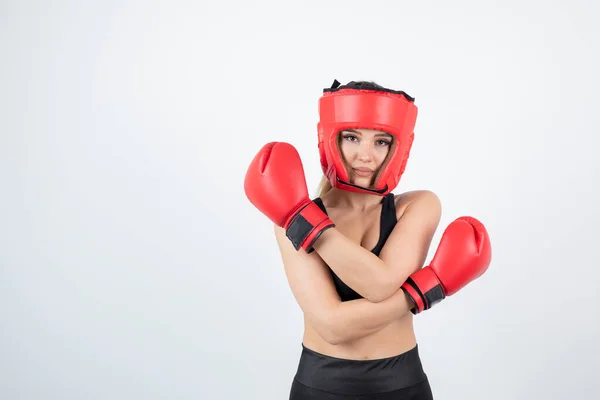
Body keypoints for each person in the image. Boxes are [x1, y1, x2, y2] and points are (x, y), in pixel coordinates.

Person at [244, 80, 492, 399]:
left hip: (401, 382)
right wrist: (427, 289)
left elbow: (381, 283)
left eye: (381, 141)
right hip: (321, 384)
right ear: (329, 138)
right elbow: (333, 326)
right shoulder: (290, 213)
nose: (365, 155)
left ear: (398, 147)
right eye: (352, 137)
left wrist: (305, 226)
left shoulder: (416, 206)